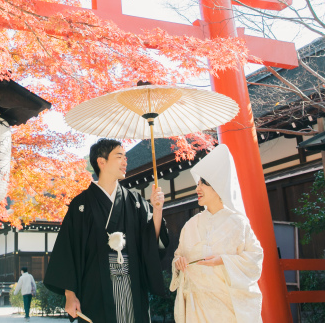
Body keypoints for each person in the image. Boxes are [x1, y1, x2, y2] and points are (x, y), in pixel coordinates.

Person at [45, 138, 169, 323]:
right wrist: (70, 295)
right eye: (119, 156)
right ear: (101, 162)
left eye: (125, 156)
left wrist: (157, 210)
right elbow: (68, 251)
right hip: (96, 288)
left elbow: (150, 241)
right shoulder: (81, 205)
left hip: (132, 285)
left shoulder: (135, 201)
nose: (125, 160)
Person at [170, 144, 263, 323]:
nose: (198, 188)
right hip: (197, 305)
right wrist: (178, 263)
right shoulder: (190, 225)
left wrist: (224, 261)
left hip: (227, 306)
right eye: (197, 183)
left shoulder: (238, 222)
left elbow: (255, 257)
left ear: (218, 185)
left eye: (203, 183)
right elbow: (178, 256)